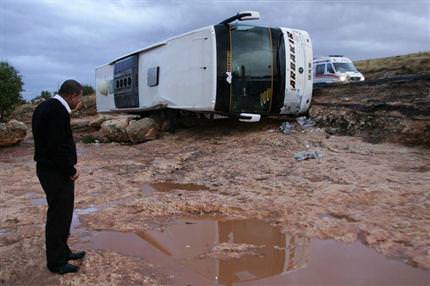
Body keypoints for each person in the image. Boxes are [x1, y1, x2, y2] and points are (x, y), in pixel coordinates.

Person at [32, 79, 85, 274]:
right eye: (79, 98)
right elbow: (55, 147)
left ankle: (63, 251)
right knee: (58, 216)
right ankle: (56, 262)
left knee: (63, 215)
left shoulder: (45, 106)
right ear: (72, 95)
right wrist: (71, 171)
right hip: (55, 172)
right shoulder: (57, 111)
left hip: (50, 170)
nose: (79, 102)